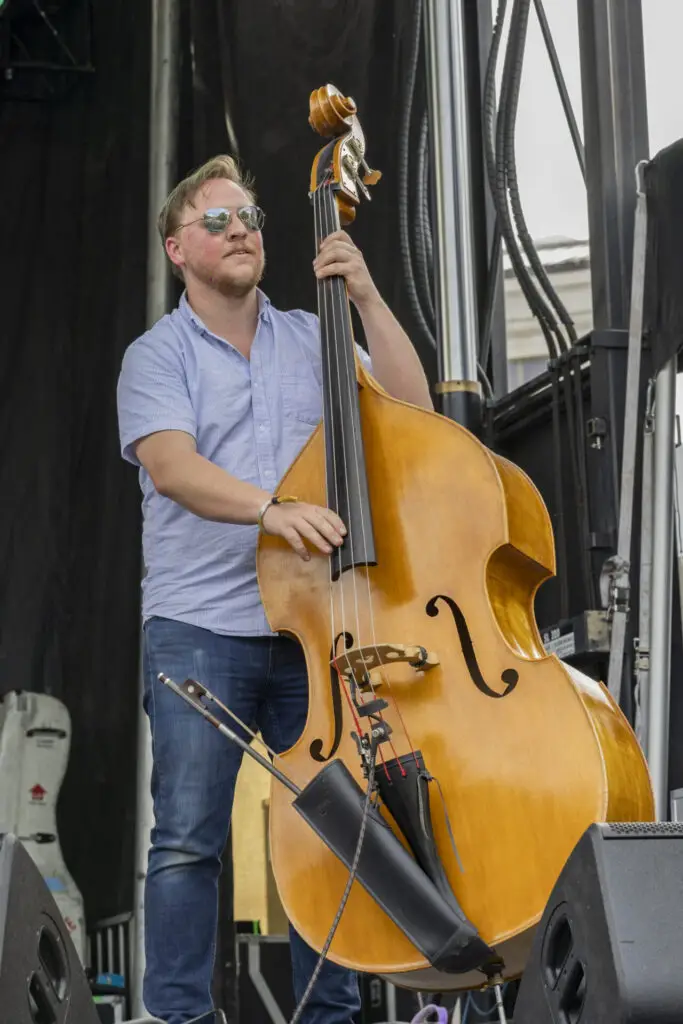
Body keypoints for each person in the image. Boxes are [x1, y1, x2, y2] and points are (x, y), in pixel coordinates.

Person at [116, 154, 433, 1024]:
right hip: (200, 625)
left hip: (311, 625)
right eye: (217, 221)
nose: (241, 231)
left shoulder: (310, 335)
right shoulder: (156, 355)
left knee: (333, 830)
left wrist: (366, 298)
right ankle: (181, 1016)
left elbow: (413, 412)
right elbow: (173, 468)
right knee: (188, 839)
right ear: (177, 247)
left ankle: (328, 1016)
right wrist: (272, 509)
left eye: (250, 217)